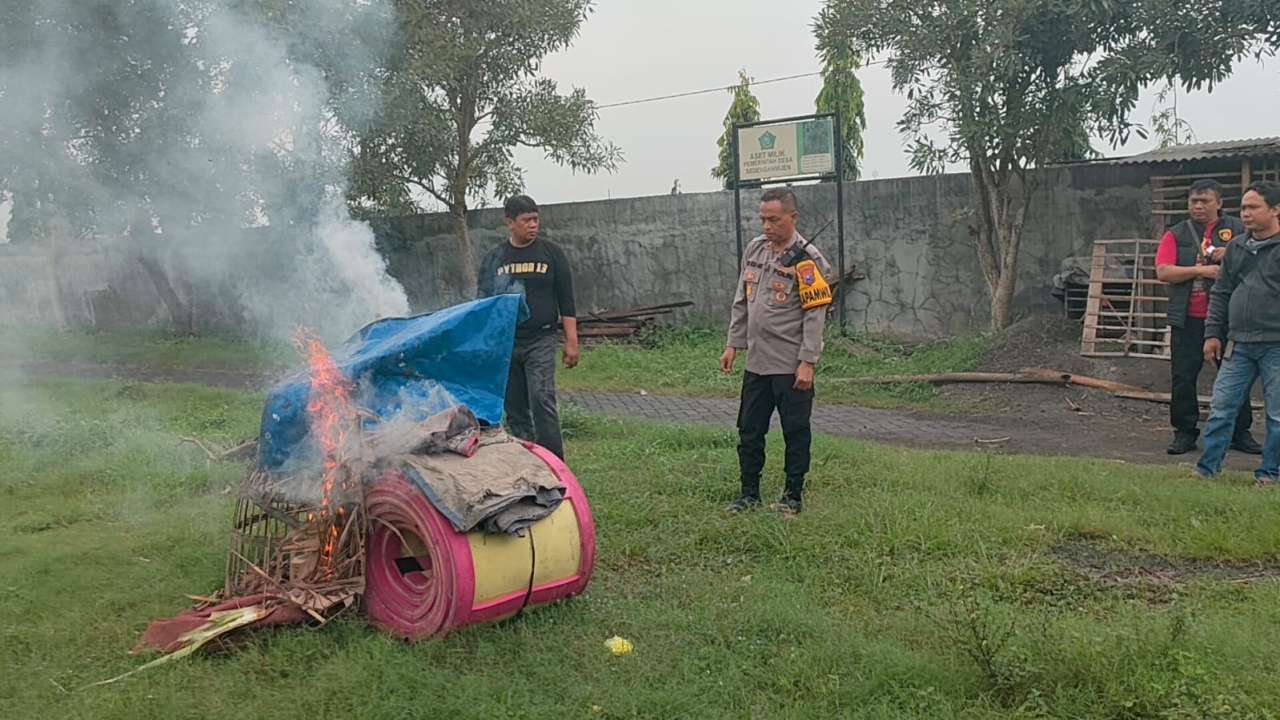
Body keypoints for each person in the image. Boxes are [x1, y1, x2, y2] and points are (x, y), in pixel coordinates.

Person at [720, 188, 833, 515]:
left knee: (795, 431)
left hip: (790, 365)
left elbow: (815, 314)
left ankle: (792, 495)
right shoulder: (755, 250)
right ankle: (748, 493)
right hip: (756, 362)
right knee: (749, 430)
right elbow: (742, 300)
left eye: (774, 219)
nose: (767, 226)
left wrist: (807, 362)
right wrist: (733, 344)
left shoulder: (809, 260)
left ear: (792, 218)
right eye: (763, 219)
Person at [1154, 179, 1260, 455]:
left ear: (1219, 203)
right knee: (1183, 378)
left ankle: (1240, 431)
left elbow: (1261, 260)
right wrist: (1200, 271)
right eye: (1194, 201)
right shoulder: (1176, 234)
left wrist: (1232, 254)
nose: (1198, 206)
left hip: (1230, 318)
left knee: (1237, 376)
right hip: (1187, 318)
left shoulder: (1240, 230)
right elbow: (1164, 272)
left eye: (1205, 201)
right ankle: (1184, 433)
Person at [477, 195, 579, 460]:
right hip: (507, 342)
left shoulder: (551, 253)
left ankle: (555, 463)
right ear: (510, 222)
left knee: (541, 398)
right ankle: (528, 461)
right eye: (526, 220)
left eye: (536, 219)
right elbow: (483, 304)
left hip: (541, 339)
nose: (533, 225)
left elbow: (566, 300)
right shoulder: (494, 259)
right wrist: (486, 344)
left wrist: (571, 341)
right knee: (515, 406)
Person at [1195, 181, 1280, 484]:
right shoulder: (1236, 248)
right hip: (1239, 343)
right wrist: (1212, 333)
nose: (1246, 213)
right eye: (1243, 207)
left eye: (1254, 207)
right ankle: (1206, 470)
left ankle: (1269, 474)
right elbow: (1221, 292)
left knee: (1277, 415)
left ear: (1275, 210)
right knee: (1221, 407)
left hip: (1275, 344)